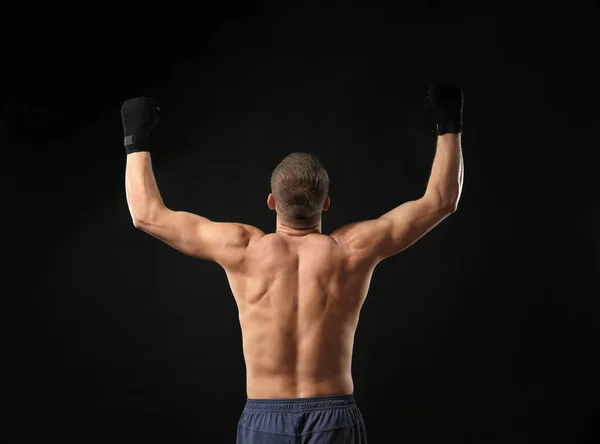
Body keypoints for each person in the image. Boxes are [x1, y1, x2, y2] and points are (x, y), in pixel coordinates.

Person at [121, 82, 464, 443]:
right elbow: (441, 201)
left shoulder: (243, 250)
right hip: (335, 418)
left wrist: (135, 137)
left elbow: (146, 215)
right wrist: (449, 124)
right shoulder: (353, 250)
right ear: (326, 203)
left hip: (263, 420)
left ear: (272, 202)